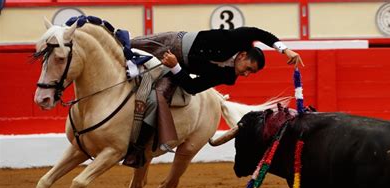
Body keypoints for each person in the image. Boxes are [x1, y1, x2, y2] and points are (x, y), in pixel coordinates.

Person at [123, 27, 304, 168]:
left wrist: (176, 66)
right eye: (248, 68)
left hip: (178, 68)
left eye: (251, 73)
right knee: (125, 46)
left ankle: (137, 149)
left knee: (159, 97)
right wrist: (285, 50)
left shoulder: (227, 76)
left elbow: (192, 87)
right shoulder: (236, 39)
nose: (247, 74)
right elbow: (260, 33)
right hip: (174, 42)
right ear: (242, 55)